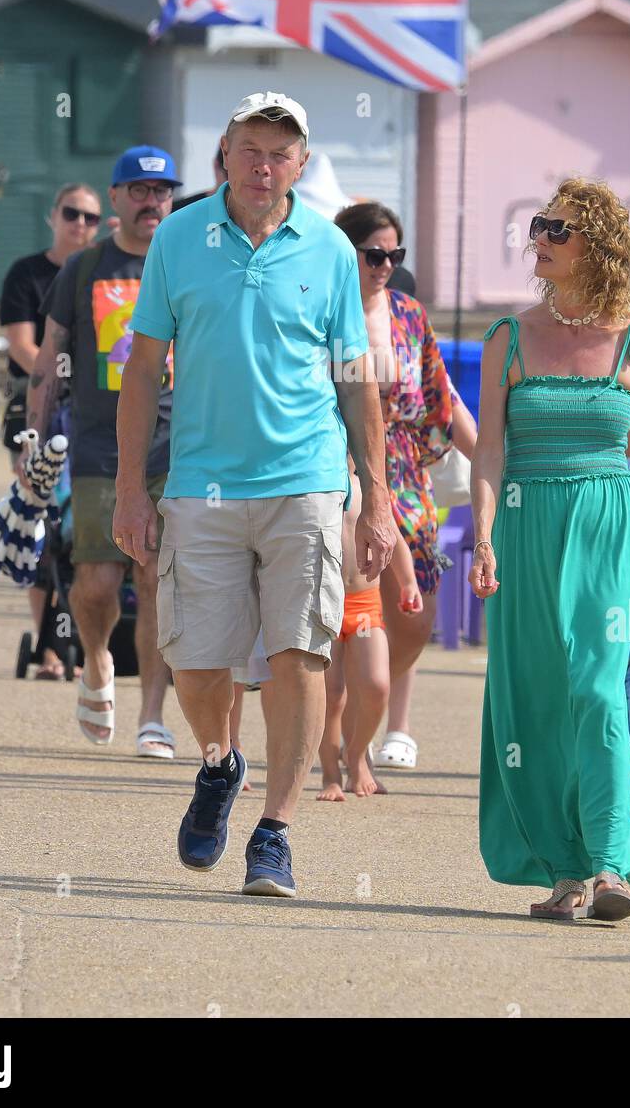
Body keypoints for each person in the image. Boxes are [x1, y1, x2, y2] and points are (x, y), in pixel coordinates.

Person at [117, 91, 397, 898]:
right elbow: (143, 369)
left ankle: (274, 832)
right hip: (201, 483)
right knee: (198, 664)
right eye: (250, 148)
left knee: (298, 653)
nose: (264, 164)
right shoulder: (179, 236)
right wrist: (133, 490)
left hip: (305, 482)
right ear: (226, 154)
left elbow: (356, 380)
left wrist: (373, 496)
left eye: (281, 152)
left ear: (301, 164)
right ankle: (220, 764)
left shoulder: (331, 252)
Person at [469, 178, 630, 921]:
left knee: (596, 691)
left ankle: (608, 865)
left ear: (594, 246)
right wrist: (482, 539)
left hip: (607, 524)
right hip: (524, 523)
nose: (538, 238)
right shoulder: (507, 336)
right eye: (537, 225)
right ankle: (560, 869)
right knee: (534, 702)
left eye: (554, 229)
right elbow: (489, 453)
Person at [25, 147, 178, 758]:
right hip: (97, 448)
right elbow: (48, 359)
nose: (151, 201)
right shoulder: (84, 267)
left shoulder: (188, 264)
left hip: (175, 448)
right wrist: (33, 442)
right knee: (94, 581)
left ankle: (152, 716)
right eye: (138, 190)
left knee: (158, 578)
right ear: (114, 200)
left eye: (162, 191)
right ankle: (95, 664)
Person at [334, 202, 476, 772]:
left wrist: (501, 464)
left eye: (396, 255)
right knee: (346, 603)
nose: (385, 265)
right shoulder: (323, 310)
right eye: (374, 254)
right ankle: (342, 742)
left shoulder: (410, 315)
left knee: (415, 616)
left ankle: (368, 707)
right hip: (338, 463)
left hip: (405, 469)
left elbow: (444, 400)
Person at [0, 183, 103, 680]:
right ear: (53, 216)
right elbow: (23, 345)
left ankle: (84, 640)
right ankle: (48, 643)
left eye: (90, 217)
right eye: (72, 213)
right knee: (38, 524)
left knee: (84, 532)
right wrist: (61, 374)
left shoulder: (103, 273)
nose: (80, 224)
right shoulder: (28, 273)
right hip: (36, 410)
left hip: (92, 416)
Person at [318, 455, 423, 800]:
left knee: (377, 685)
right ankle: (330, 773)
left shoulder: (369, 488)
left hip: (364, 604)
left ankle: (357, 752)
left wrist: (408, 583)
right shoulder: (315, 484)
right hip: (325, 602)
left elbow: (392, 536)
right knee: (331, 696)